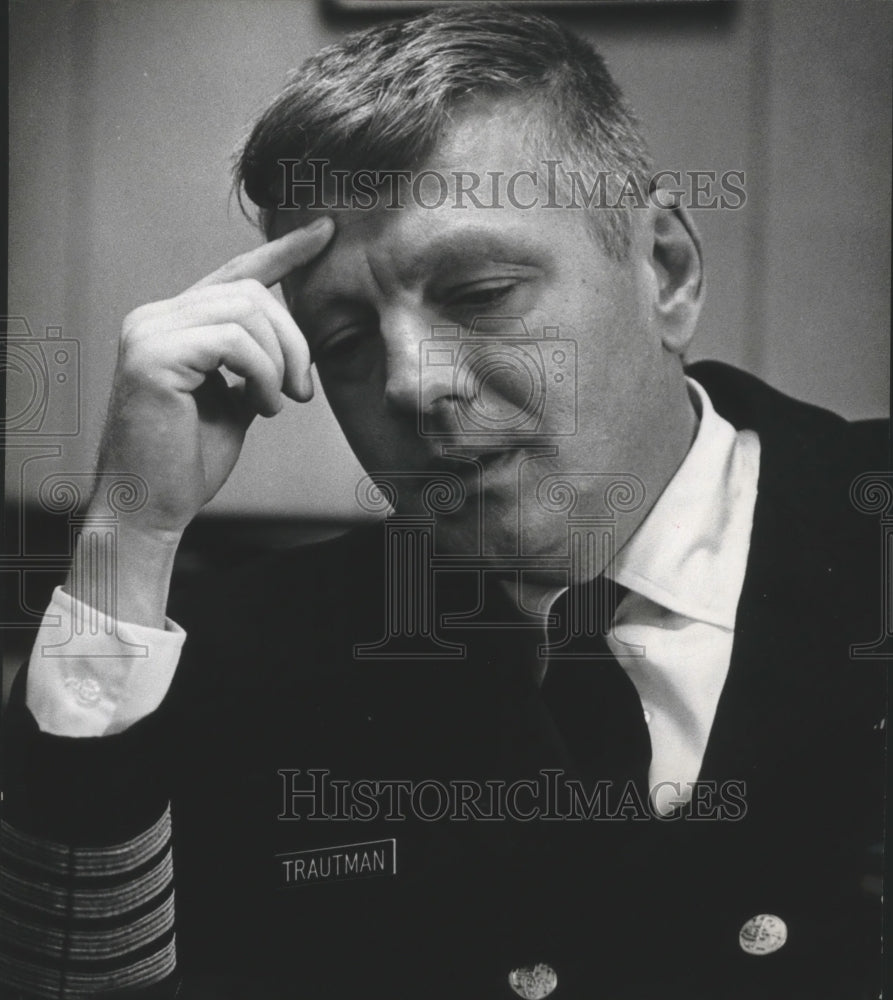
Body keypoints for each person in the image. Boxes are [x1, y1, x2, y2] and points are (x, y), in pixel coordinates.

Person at [1, 7, 886, 999]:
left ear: (666, 270)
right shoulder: (261, 663)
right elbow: (69, 975)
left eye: (478, 293)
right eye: (342, 342)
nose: (411, 384)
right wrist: (129, 534)